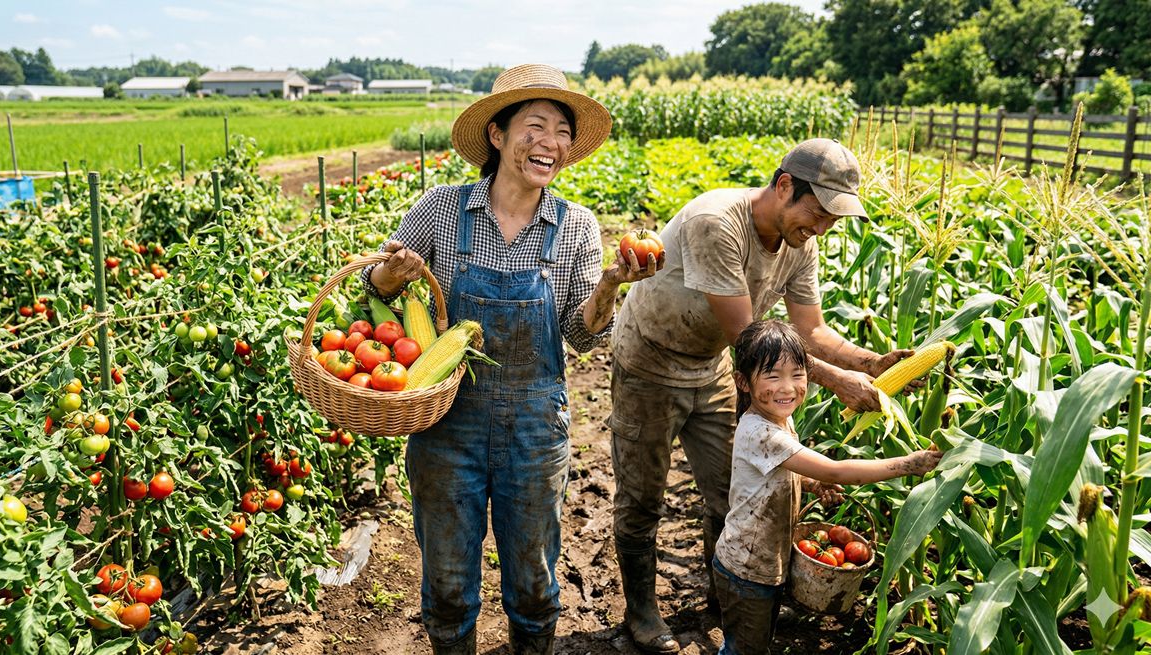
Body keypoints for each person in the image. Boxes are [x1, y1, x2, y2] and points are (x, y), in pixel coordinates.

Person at [362, 64, 661, 655]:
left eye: (561, 132)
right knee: (447, 584)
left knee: (534, 583)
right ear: (497, 135)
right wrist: (388, 275)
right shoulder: (440, 211)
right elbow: (377, 291)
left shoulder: (574, 225)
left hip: (534, 426)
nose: (550, 143)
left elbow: (581, 334)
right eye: (535, 126)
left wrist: (608, 287)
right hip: (447, 424)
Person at [606, 138, 922, 653]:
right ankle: (642, 612)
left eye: (831, 221)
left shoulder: (800, 244)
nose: (820, 229)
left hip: (712, 370)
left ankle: (722, 595)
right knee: (642, 498)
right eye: (816, 213)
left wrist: (870, 363)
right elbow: (749, 340)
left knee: (725, 492)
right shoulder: (717, 222)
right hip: (650, 365)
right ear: (783, 186)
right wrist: (838, 382)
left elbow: (813, 331)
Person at [713, 319, 942, 654]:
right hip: (746, 569)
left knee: (756, 638)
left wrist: (809, 483)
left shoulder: (778, 417)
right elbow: (836, 470)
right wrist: (906, 465)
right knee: (744, 649)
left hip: (763, 561)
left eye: (797, 374)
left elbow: (775, 474)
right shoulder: (760, 431)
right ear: (742, 382)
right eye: (773, 375)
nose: (787, 387)